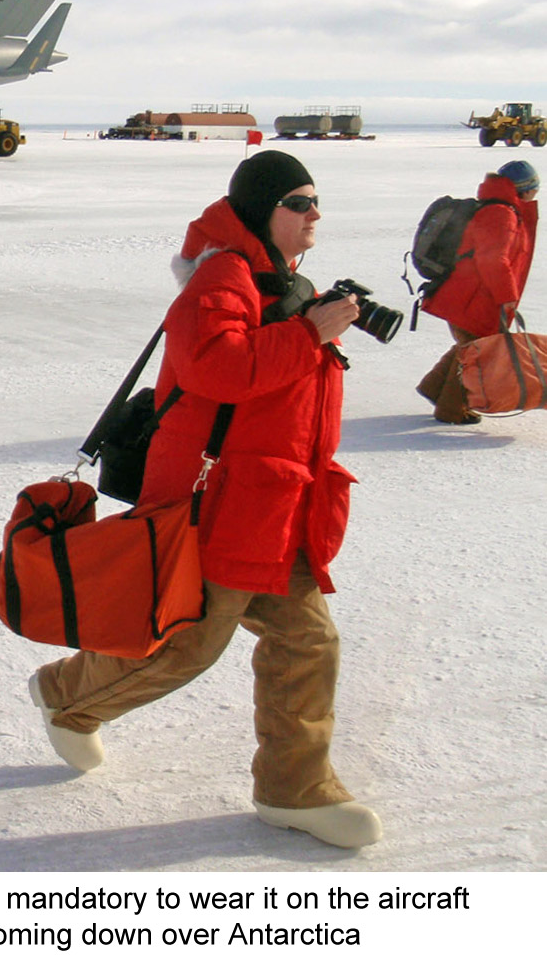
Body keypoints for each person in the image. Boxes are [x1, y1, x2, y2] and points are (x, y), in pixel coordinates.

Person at [28, 150, 382, 849]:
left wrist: (312, 320)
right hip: (217, 499)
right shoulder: (222, 277)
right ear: (263, 209)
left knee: (306, 640)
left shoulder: (278, 279)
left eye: (315, 202)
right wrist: (309, 331)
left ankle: (295, 789)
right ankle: (65, 696)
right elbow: (214, 369)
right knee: (184, 647)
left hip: (274, 501)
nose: (314, 214)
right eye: (299, 202)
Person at [416, 160, 540, 424]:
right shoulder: (502, 213)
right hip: (472, 298)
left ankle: (434, 388)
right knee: (477, 352)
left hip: (466, 294)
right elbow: (493, 260)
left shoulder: (499, 208)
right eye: (534, 188)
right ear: (524, 189)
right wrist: (507, 297)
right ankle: (451, 410)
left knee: (469, 345)